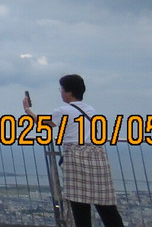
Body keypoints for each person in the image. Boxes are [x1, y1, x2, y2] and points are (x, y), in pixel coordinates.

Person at [23, 74, 125, 227]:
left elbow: (45, 123)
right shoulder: (90, 109)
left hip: (75, 158)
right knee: (106, 207)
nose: (61, 92)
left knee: (80, 207)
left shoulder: (63, 110)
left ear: (69, 92)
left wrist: (27, 110)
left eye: (61, 89)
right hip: (97, 156)